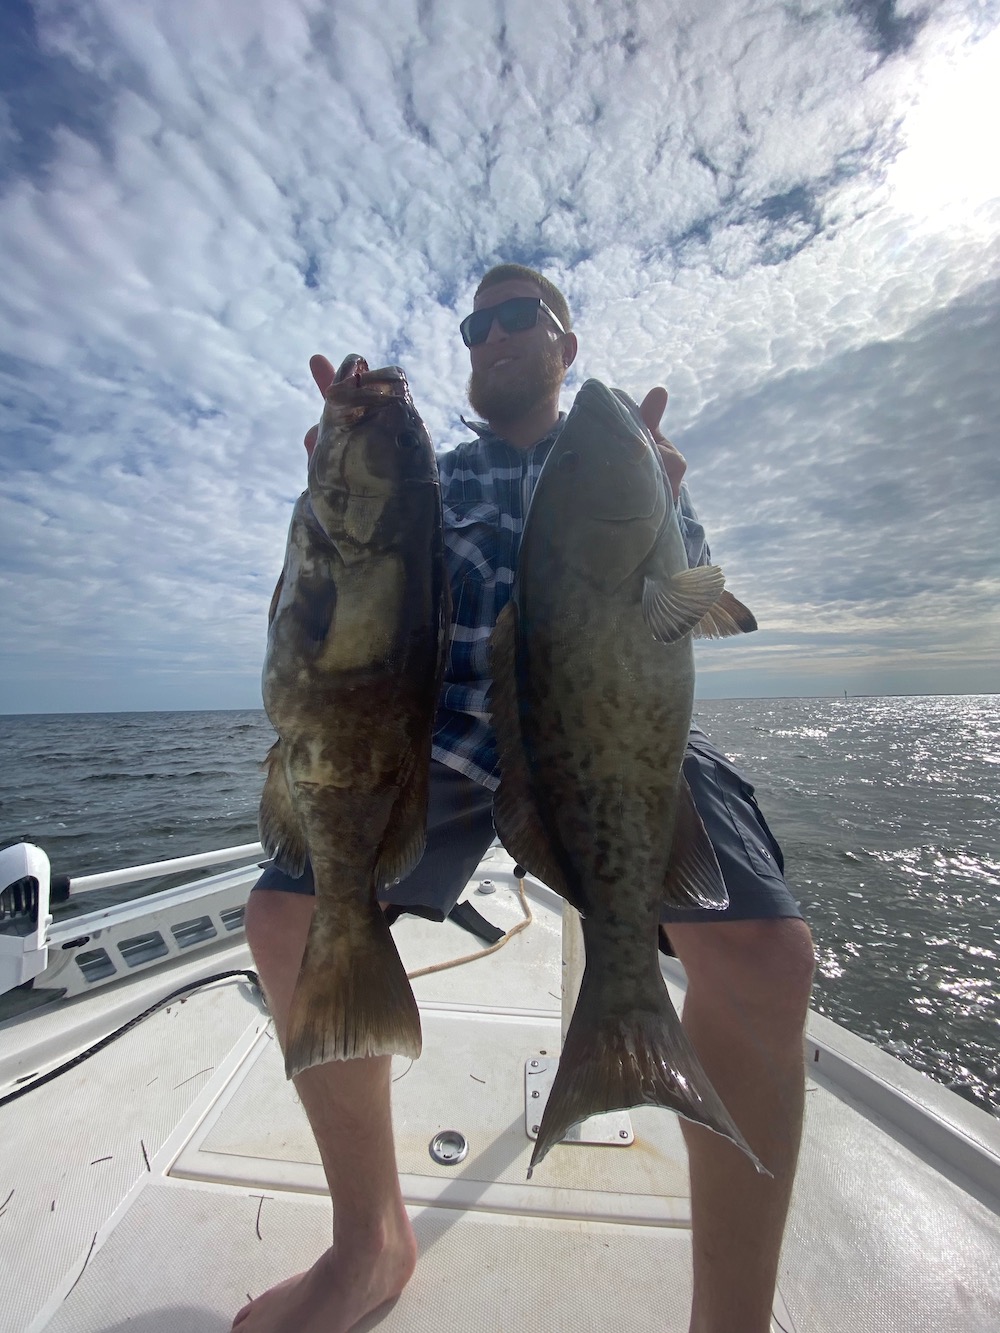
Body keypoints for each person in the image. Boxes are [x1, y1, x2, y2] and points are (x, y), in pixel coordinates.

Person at [234, 265, 816, 1333]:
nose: (494, 333)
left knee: (768, 958)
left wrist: (667, 502)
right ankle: (370, 1244)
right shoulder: (434, 477)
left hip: (607, 734)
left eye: (519, 317)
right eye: (477, 322)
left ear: (565, 343)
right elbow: (351, 592)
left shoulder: (628, 456)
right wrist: (339, 482)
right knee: (284, 917)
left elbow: (690, 611)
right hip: (441, 739)